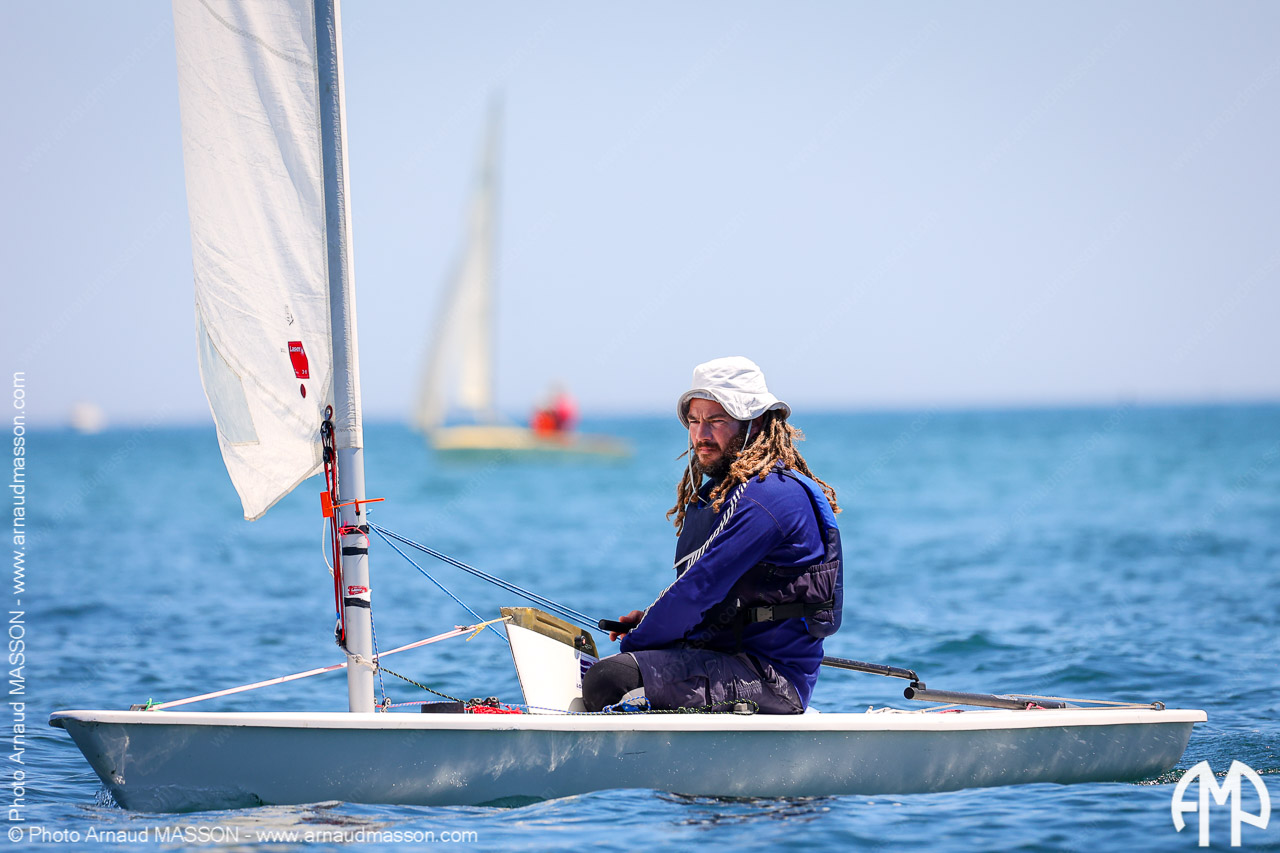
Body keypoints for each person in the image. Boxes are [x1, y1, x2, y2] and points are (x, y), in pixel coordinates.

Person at [582, 356, 842, 714]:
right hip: (724, 657)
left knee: (608, 678)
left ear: (755, 422)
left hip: (771, 680)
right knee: (604, 668)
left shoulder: (772, 497)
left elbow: (699, 591)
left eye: (716, 421)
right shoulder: (728, 493)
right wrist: (650, 623)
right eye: (694, 421)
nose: (701, 435)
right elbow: (709, 598)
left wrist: (638, 643)